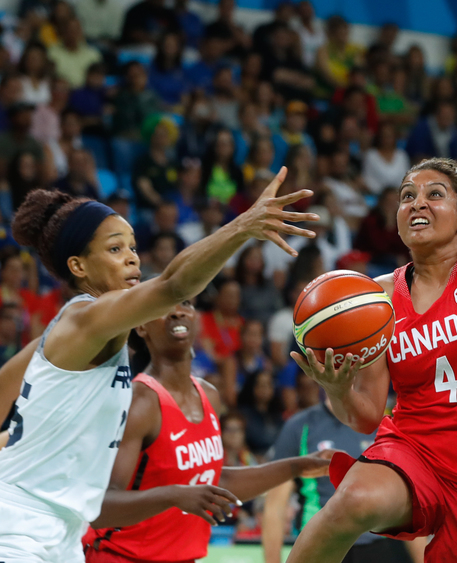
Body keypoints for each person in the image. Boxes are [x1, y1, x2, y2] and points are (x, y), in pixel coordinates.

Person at [287, 8, 457, 561]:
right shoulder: (375, 297)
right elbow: (367, 415)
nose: (417, 202)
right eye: (406, 196)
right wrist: (336, 388)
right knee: (352, 501)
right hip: (412, 452)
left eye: (434, 194)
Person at [0, 167, 318, 563]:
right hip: (20, 527)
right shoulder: (86, 318)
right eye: (115, 249)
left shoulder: (65, 334)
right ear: (78, 267)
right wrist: (242, 227)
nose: (132, 258)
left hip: (61, 532)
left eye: (133, 247)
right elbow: (173, 285)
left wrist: (17, 441)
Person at [82, 300, 332, 562]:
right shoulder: (139, 402)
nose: (177, 312)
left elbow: (215, 483)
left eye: (185, 303)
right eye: (165, 306)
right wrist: (173, 495)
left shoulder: (208, 395)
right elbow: (101, 509)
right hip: (122, 556)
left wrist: (297, 466)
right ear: (142, 327)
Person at [263, 396, 422, 563]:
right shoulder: (300, 427)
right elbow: (274, 507)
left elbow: (410, 501)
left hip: (379, 546)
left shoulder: (385, 426)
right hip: (321, 544)